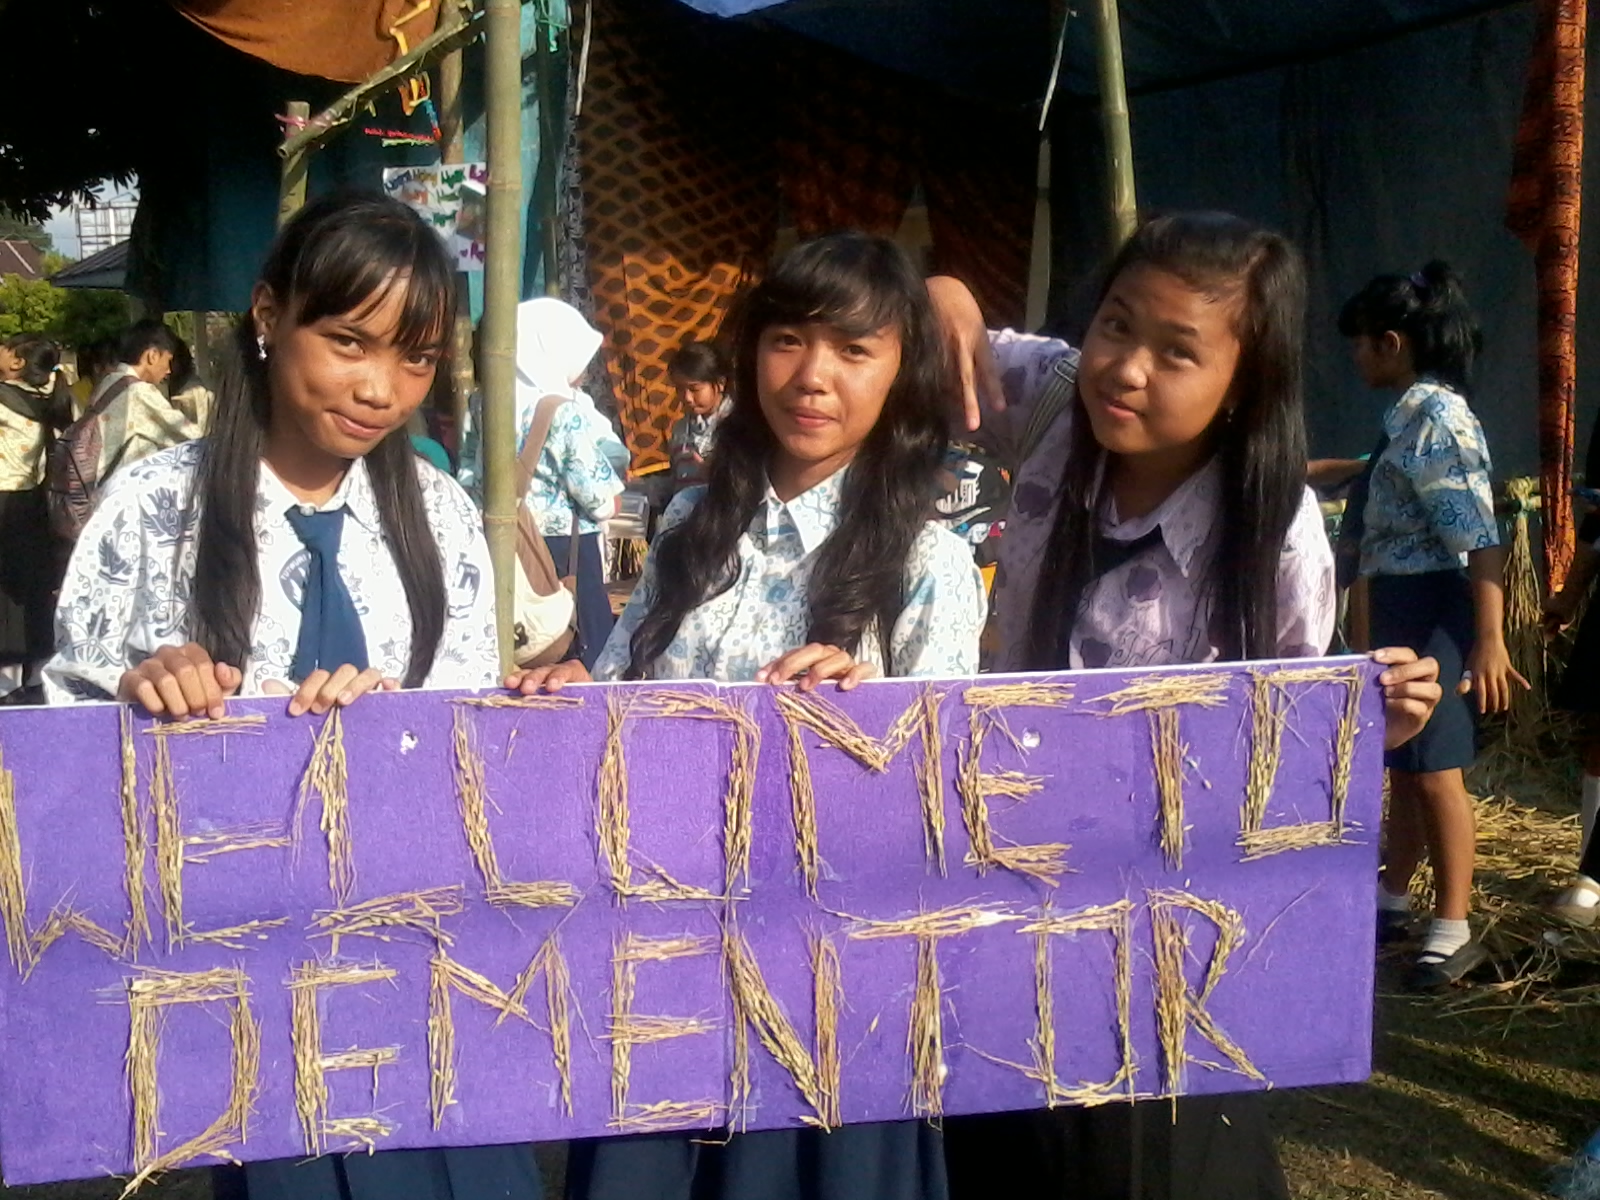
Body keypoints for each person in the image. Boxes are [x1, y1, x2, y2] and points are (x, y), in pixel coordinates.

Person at [927, 212, 1444, 1200]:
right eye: (1116, 325)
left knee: (1141, 1151)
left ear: (1243, 380)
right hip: (1002, 872)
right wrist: (940, 293)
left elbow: (1285, 745)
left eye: (1177, 352)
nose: (1125, 369)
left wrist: (1367, 725)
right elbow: (897, 338)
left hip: (1159, 919)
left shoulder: (1271, 527)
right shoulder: (1050, 399)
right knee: (1001, 1138)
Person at [43, 191, 541, 1200]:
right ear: (269, 315)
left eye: (415, 358)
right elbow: (63, 754)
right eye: (349, 341)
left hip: (420, 962)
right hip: (246, 973)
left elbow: (474, 738)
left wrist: (452, 721)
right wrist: (145, 698)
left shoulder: (439, 515)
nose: (380, 388)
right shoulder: (154, 509)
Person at [513, 232, 987, 1200]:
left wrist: (869, 723)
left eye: (854, 350)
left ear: (902, 373)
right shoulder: (691, 524)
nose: (812, 376)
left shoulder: (926, 562)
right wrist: (570, 692)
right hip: (670, 965)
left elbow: (949, 800)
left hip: (829, 991)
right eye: (787, 340)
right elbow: (623, 695)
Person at [1338, 262, 1522, 988]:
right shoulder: (1403, 418)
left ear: (1392, 343)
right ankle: (1392, 898)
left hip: (1437, 603)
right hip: (1398, 603)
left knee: (1438, 769)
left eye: (1361, 343)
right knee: (1405, 764)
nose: (1356, 357)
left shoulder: (1438, 419)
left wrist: (1490, 638)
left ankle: (1453, 927)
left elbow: (1479, 535)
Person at [505, 297, 626, 669]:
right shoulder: (563, 412)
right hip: (564, 551)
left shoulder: (485, 403)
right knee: (580, 651)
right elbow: (601, 502)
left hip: (510, 541)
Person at [0, 336, 72, 703]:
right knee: (32, 588)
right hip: (35, 503)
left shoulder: (3, 399)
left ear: (17, 362)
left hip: (4, 500)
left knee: (5, 592)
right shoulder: (50, 399)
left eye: (6, 347)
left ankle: (7, 678)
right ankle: (34, 673)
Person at [80, 319, 205, 482]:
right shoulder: (140, 392)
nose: (169, 370)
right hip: (120, 488)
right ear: (153, 356)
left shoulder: (108, 382)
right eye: (168, 360)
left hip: (94, 485)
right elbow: (189, 435)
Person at [666, 338, 731, 490]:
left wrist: (715, 475)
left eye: (694, 389)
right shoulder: (680, 430)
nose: (687, 398)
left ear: (720, 383)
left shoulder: (737, 426)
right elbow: (675, 482)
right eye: (679, 389)